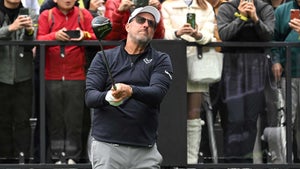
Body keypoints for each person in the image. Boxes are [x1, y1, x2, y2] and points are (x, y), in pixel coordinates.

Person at [85, 6, 173, 169]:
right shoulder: (104, 57)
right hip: (108, 148)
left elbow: (157, 93)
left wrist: (130, 90)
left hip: (145, 151)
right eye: (140, 20)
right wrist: (109, 97)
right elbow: (90, 97)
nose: (146, 25)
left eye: (151, 24)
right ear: (127, 26)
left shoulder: (161, 59)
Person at [36, 0, 96, 164]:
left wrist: (84, 35)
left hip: (77, 75)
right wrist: (54, 36)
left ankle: (73, 157)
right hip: (51, 75)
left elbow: (96, 36)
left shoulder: (84, 15)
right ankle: (56, 156)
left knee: (74, 120)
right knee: (54, 119)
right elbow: (39, 38)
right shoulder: (46, 16)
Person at [216, 0, 275, 163]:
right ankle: (232, 162)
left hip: (256, 69)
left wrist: (255, 19)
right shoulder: (226, 8)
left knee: (250, 119)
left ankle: (246, 163)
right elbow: (224, 35)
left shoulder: (265, 9)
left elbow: (269, 35)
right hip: (232, 69)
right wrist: (241, 18)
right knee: (235, 119)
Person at [161, 0, 215, 164]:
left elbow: (210, 35)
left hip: (197, 65)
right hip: (172, 64)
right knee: (171, 113)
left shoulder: (206, 6)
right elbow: (162, 34)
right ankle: (171, 158)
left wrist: (198, 35)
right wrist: (178, 33)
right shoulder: (167, 5)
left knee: (194, 115)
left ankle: (191, 160)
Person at [0, 0, 37, 162]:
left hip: (23, 75)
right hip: (2, 75)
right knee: (2, 120)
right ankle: (5, 158)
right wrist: (10, 28)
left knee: (23, 120)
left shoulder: (30, 13)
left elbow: (30, 44)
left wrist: (29, 31)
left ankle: (23, 159)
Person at [271, 0, 300, 162]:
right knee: (285, 119)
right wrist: (275, 60)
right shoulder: (283, 10)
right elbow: (273, 39)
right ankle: (283, 162)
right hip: (288, 74)